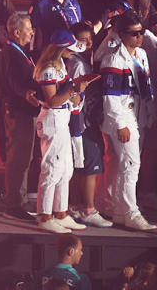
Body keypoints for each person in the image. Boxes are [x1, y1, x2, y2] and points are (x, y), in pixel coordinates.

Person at [100, 11, 157, 231]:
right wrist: (119, 124)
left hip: (138, 116)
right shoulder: (113, 58)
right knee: (131, 165)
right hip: (122, 118)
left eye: (141, 32)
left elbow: (146, 88)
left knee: (118, 164)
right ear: (122, 34)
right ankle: (131, 212)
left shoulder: (141, 55)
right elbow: (110, 96)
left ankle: (116, 209)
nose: (139, 37)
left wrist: (149, 115)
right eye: (134, 34)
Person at [34, 29, 90, 234]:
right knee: (52, 168)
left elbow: (66, 97)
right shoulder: (48, 69)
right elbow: (53, 100)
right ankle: (44, 215)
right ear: (61, 49)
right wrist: (73, 90)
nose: (72, 53)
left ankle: (60, 213)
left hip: (62, 118)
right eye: (70, 49)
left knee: (66, 169)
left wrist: (76, 92)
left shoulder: (60, 67)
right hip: (52, 119)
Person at [66, 22, 113, 228]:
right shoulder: (78, 65)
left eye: (89, 40)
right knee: (91, 166)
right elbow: (75, 97)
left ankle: (76, 205)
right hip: (82, 123)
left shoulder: (83, 61)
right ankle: (88, 209)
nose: (87, 44)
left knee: (80, 165)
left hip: (82, 123)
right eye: (81, 41)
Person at [0, 12, 41, 219]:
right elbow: (13, 79)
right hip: (19, 111)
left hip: (25, 110)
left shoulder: (19, 51)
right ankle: (13, 205)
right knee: (19, 157)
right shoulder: (10, 52)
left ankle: (18, 201)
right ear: (16, 32)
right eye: (28, 29)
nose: (32, 32)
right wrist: (25, 93)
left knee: (24, 156)